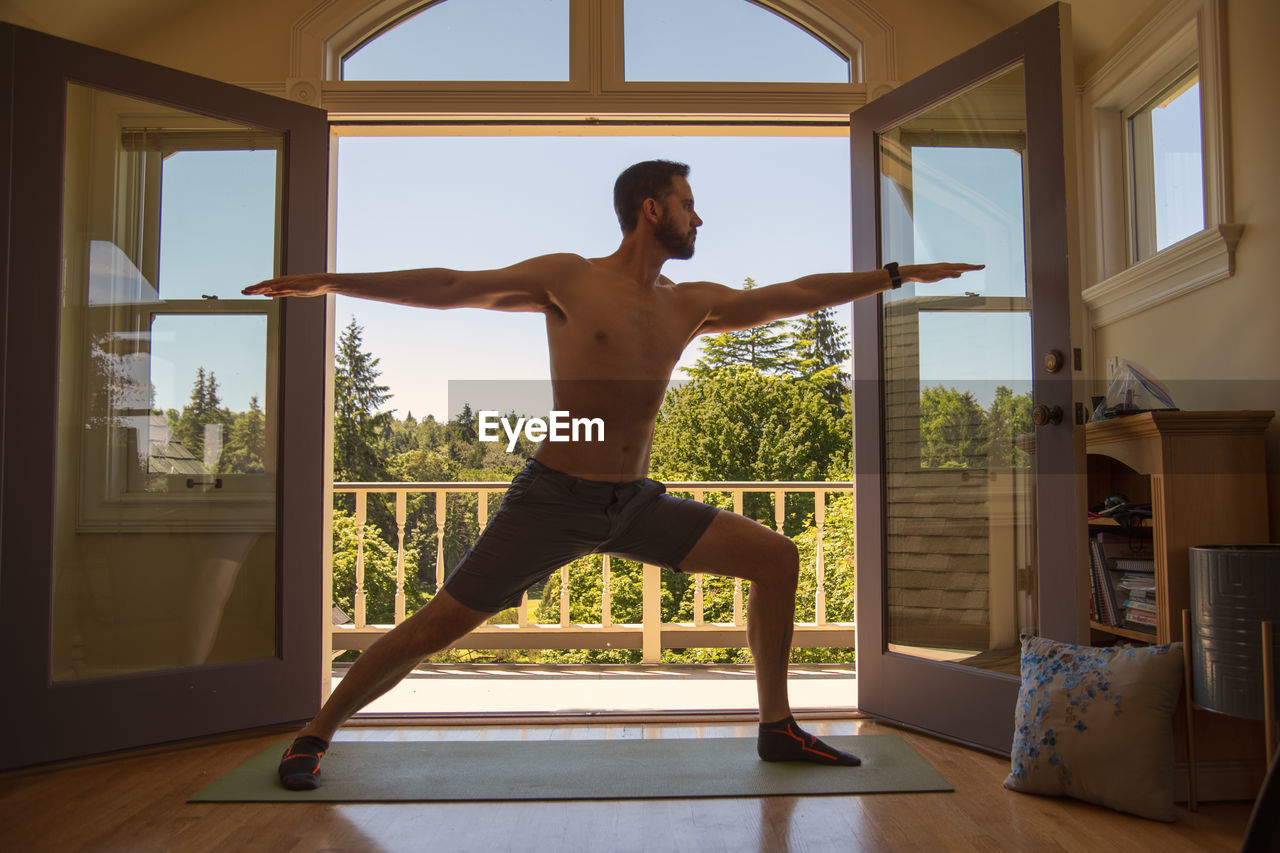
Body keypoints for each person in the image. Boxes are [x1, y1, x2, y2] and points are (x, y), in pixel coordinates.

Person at [247, 160, 981, 790]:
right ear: (651, 209)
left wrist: (893, 274)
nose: (702, 218)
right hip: (553, 499)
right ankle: (315, 733)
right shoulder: (569, 277)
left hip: (633, 503)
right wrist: (327, 281)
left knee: (776, 558)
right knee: (435, 627)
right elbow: (449, 284)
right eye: (690, 204)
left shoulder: (691, 303)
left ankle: (777, 726)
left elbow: (792, 293)